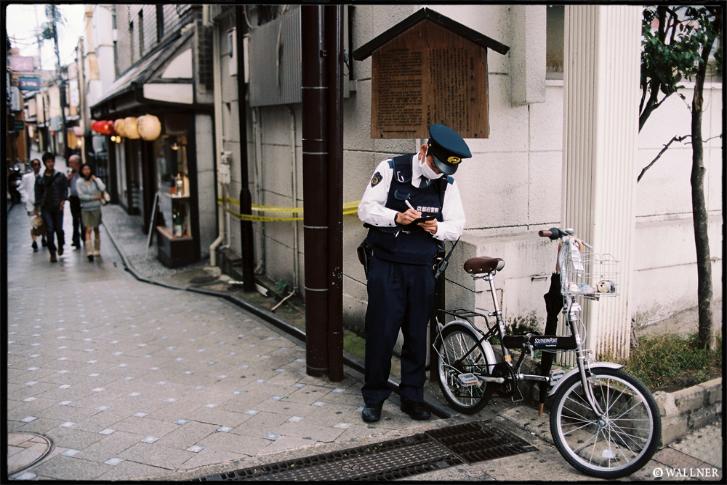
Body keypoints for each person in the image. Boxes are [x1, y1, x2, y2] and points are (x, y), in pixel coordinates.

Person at [357, 123, 469, 423]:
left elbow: (458, 224)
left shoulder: (447, 183)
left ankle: (412, 397)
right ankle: (374, 398)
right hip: (387, 266)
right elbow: (365, 209)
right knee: (381, 333)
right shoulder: (392, 168)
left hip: (421, 268)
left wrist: (438, 228)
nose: (439, 172)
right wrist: (396, 216)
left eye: (446, 168)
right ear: (424, 150)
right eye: (436, 164)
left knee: (417, 335)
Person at [35, 152, 68, 263]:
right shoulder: (40, 178)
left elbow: (65, 189)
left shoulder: (60, 175)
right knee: (49, 230)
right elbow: (37, 194)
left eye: (52, 161)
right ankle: (52, 252)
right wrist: (37, 209)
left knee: (59, 229)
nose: (50, 163)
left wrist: (63, 200)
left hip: (58, 207)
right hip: (46, 208)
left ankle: (61, 245)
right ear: (44, 163)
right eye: (48, 162)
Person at [76, 163, 106, 262]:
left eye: (88, 169)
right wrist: (94, 197)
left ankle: (97, 249)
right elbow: (81, 196)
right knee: (88, 229)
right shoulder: (79, 182)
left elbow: (102, 188)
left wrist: (96, 180)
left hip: (96, 207)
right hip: (85, 208)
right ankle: (89, 251)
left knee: (96, 228)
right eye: (84, 169)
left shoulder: (95, 180)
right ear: (81, 171)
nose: (86, 171)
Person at [19, 158, 46, 251]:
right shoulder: (26, 177)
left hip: (42, 204)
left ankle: (43, 238)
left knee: (42, 222)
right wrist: (26, 198)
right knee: (34, 223)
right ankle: (34, 241)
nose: (36, 166)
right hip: (31, 204)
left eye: (38, 164)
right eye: (34, 164)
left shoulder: (43, 176)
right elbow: (21, 188)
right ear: (32, 166)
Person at [66, 154, 85, 250]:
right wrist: (68, 179)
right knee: (74, 220)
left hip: (82, 199)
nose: (69, 164)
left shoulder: (83, 172)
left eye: (71, 162)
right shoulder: (70, 172)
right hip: (73, 198)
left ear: (76, 163)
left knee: (82, 220)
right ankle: (76, 240)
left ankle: (85, 237)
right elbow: (67, 184)